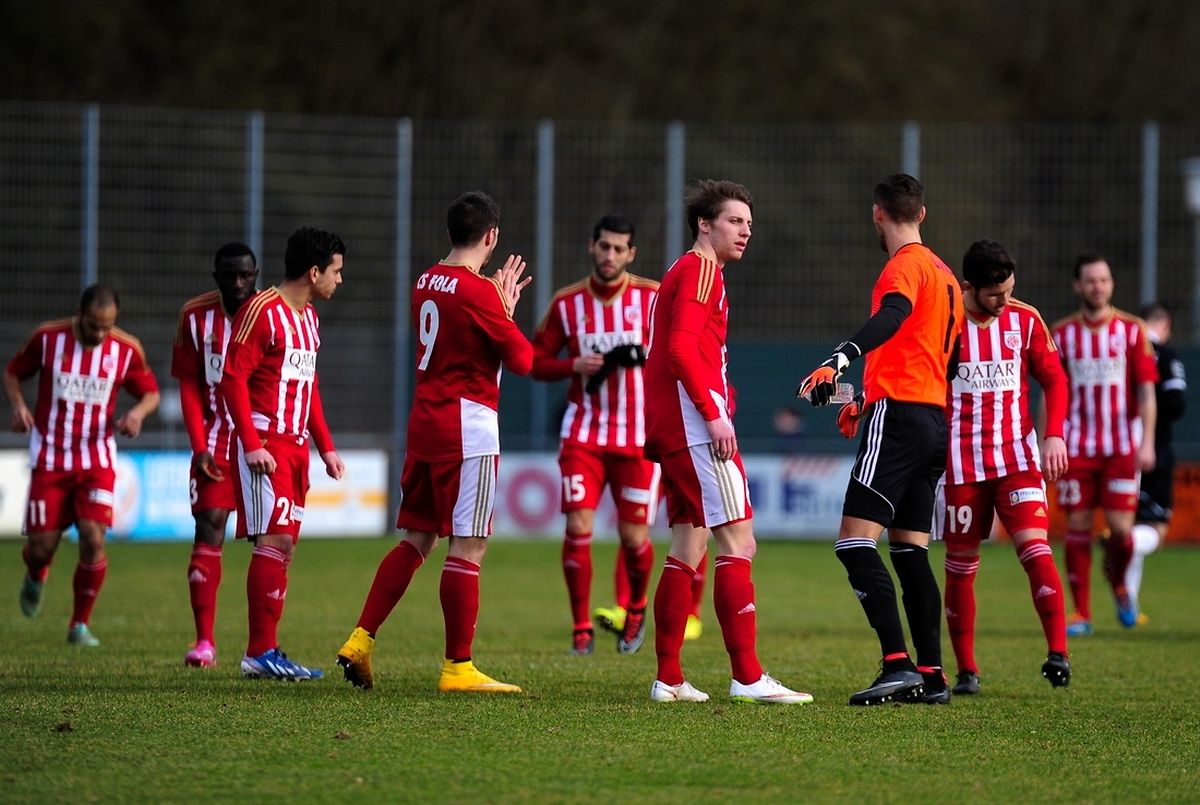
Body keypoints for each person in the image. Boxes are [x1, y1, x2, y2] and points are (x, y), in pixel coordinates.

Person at [336, 191, 532, 694]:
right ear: (491, 236)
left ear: (449, 233)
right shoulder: (480, 291)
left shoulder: (425, 280)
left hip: (425, 425)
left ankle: (361, 639)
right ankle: (458, 666)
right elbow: (523, 360)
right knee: (469, 545)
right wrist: (506, 310)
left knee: (417, 537)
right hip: (468, 430)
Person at [797, 173, 964, 706]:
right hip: (933, 420)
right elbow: (949, 360)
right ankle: (933, 676)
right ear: (923, 213)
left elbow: (893, 316)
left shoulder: (903, 266)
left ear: (877, 214)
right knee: (911, 552)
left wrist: (838, 361)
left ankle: (897, 664)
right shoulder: (946, 276)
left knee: (853, 542)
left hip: (899, 417)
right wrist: (868, 396)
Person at [644, 179, 811, 704]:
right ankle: (748, 675)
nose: (745, 231)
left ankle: (669, 678)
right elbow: (679, 351)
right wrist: (713, 413)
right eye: (735, 221)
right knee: (740, 542)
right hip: (695, 428)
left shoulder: (683, 270)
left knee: (688, 545)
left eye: (749, 224)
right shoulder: (701, 270)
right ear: (704, 224)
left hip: (674, 426)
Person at [937, 240, 1071, 694]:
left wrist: (1054, 435)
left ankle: (1058, 652)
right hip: (960, 464)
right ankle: (967, 670)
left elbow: (1054, 378)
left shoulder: (1025, 319)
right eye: (995, 294)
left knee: (1036, 549)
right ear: (969, 287)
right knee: (960, 566)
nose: (1004, 301)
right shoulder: (944, 320)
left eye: (1009, 290)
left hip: (1017, 459)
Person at [530, 214, 664, 656]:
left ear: (631, 254)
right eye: (604, 246)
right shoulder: (567, 304)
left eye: (618, 248)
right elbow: (534, 362)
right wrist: (573, 364)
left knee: (634, 537)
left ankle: (636, 609)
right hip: (583, 435)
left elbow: (680, 350)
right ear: (592, 246)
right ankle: (581, 628)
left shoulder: (652, 298)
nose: (610, 255)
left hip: (639, 439)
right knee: (578, 526)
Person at [219, 227, 346, 680]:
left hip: (295, 447)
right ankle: (259, 652)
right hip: (265, 444)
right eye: (335, 271)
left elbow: (309, 386)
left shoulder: (309, 319)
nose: (339, 279)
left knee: (285, 545)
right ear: (314, 272)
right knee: (274, 541)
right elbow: (232, 378)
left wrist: (325, 447)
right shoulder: (261, 311)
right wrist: (251, 445)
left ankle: (267, 651)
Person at [7, 284, 160, 646]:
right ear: (80, 313)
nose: (99, 334)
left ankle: (79, 624)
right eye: (93, 326)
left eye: (107, 327)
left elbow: (151, 392)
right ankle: (36, 571)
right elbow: (13, 372)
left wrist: (137, 414)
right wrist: (19, 406)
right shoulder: (48, 339)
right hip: (50, 457)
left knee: (93, 537)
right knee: (41, 547)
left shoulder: (126, 349)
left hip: (96, 459)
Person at [1051, 255, 1157, 636]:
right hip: (1077, 447)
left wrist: (1147, 441)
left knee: (1121, 530)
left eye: (1104, 280)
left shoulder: (1132, 329)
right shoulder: (1061, 334)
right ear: (1077, 286)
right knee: (1077, 524)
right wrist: (1050, 437)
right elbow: (1052, 390)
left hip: (1120, 447)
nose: (1098, 287)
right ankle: (1081, 613)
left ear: (1111, 284)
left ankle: (1120, 586)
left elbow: (1146, 391)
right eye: (1091, 281)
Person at [171, 243, 260, 667]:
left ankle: (263, 645)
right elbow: (189, 384)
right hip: (216, 440)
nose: (238, 283)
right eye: (230, 276)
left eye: (246, 275)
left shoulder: (270, 312)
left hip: (264, 438)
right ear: (216, 278)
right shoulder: (195, 316)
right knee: (209, 526)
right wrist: (199, 447)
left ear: (256, 275)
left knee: (271, 540)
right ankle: (204, 642)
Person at [1124, 302, 1185, 621]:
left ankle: (1129, 605)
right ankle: (1124, 544)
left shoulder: (1122, 351)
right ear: (1166, 324)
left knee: (1132, 523)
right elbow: (1176, 403)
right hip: (1154, 450)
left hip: (1120, 450)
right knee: (1155, 531)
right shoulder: (1165, 355)